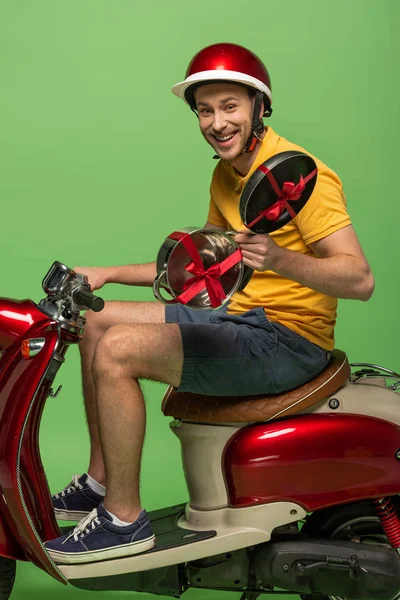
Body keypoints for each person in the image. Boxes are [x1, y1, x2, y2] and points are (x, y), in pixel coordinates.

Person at [45, 43, 374, 564]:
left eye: (230, 107)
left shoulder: (297, 176)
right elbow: (200, 270)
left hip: (285, 341)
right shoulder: (227, 175)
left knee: (118, 351)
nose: (217, 122)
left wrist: (281, 259)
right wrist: (105, 273)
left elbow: (359, 279)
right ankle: (100, 479)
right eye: (205, 109)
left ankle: (123, 520)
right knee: (92, 321)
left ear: (259, 108)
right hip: (234, 317)